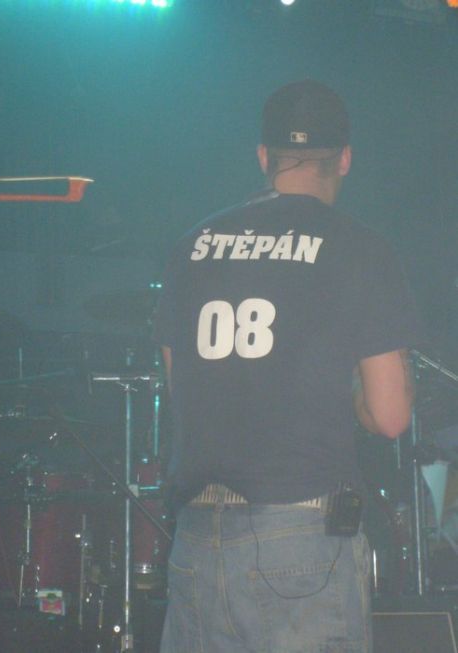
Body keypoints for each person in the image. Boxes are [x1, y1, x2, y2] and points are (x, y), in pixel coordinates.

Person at [154, 80, 422, 653]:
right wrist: (354, 394)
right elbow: (390, 415)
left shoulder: (192, 246)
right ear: (344, 159)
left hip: (197, 539)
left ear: (263, 157)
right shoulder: (360, 248)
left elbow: (182, 388)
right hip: (301, 539)